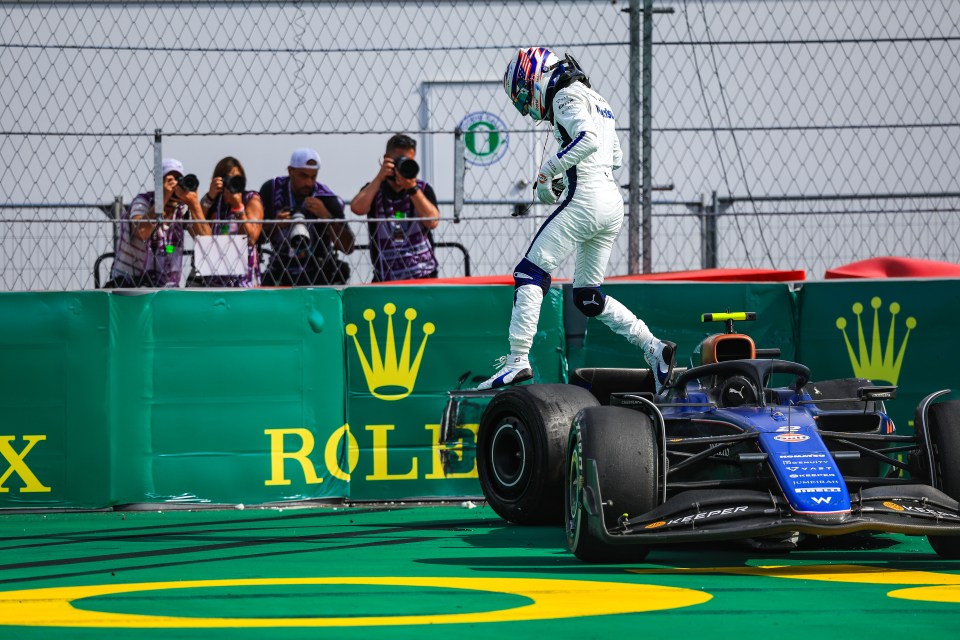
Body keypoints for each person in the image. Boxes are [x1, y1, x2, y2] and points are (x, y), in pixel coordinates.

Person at [477, 47, 676, 392]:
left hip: (585, 200)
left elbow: (586, 140)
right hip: (611, 203)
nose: (527, 107)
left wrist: (549, 171)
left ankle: (517, 361)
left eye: (525, 95)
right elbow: (613, 159)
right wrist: (563, 177)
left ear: (539, 75)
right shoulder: (597, 98)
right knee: (588, 297)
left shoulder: (565, 97)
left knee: (530, 272)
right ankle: (653, 348)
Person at [107, 158, 211, 288]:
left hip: (168, 288)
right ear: (159, 184)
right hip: (130, 285)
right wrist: (162, 198)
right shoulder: (143, 201)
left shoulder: (181, 209)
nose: (174, 186)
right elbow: (141, 232)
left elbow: (206, 242)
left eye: (179, 180)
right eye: (169, 181)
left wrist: (194, 204)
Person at [349, 133, 440, 282]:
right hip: (385, 276)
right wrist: (379, 177)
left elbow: (433, 221)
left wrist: (412, 189)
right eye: (399, 161)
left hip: (423, 275)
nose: (402, 166)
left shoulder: (422, 189)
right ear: (386, 160)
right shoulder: (374, 190)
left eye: (408, 162)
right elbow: (357, 208)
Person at [259, 148, 355, 286]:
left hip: (319, 272)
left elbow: (348, 247)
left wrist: (327, 217)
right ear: (290, 171)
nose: (309, 183)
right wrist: (276, 225)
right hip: (280, 270)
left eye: (313, 177)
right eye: (303, 176)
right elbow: (256, 238)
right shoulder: (272, 190)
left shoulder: (326, 197)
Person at [196, 156, 264, 287]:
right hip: (213, 277)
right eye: (229, 179)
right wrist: (210, 197)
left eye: (238, 179)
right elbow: (194, 227)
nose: (233, 183)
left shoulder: (250, 199)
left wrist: (238, 208)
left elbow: (251, 238)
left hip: (244, 280)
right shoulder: (213, 201)